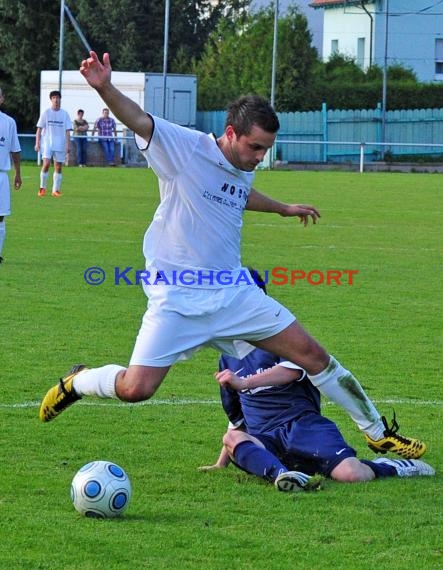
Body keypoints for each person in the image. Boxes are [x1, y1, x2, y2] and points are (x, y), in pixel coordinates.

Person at [39, 51, 425, 464]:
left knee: (313, 355)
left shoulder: (243, 165)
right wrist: (104, 88)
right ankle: (78, 383)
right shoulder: (186, 148)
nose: (260, 157)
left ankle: (377, 433)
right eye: (255, 147)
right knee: (137, 389)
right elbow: (139, 119)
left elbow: (236, 194)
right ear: (230, 133)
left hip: (234, 294)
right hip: (178, 298)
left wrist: (281, 208)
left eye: (266, 149)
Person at [198, 273, 434, 491]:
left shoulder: (280, 337)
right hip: (266, 440)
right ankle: (284, 476)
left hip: (303, 428)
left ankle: (392, 467)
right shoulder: (227, 358)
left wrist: (244, 383)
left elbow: (291, 371)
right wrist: (221, 463)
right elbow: (236, 421)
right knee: (232, 438)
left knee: (351, 474)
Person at [35, 90, 72, 197]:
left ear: (60, 99)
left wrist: (68, 145)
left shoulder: (64, 114)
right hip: (47, 143)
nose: (56, 100)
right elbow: (39, 129)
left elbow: (68, 131)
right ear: (51, 100)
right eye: (54, 98)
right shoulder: (46, 113)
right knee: (46, 164)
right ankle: (42, 188)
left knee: (58, 167)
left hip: (60, 143)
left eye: (57, 98)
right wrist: (37, 143)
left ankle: (55, 190)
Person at [0, 87, 22, 263]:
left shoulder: (9, 122)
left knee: (0, 216)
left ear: (2, 99)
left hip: (1, 175)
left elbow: (15, 150)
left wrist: (17, 173)